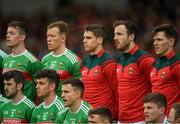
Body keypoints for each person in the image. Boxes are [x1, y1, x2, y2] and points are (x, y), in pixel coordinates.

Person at [113, 20, 155, 123]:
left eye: (119, 34)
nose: (115, 38)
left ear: (131, 36)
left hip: (139, 120)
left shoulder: (145, 59)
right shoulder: (119, 60)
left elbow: (156, 89)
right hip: (121, 120)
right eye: (114, 34)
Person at [82, 24, 118, 119]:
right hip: (87, 116)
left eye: (88, 38)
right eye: (84, 37)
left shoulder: (108, 62)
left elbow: (117, 91)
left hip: (103, 118)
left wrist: (115, 116)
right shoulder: (85, 61)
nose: (84, 41)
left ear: (99, 40)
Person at [2, 21, 41, 101]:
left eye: (12, 33)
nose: (7, 36)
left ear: (22, 37)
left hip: (25, 110)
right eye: (7, 33)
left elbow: (41, 87)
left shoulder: (32, 61)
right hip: (7, 109)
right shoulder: (5, 60)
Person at [41, 20, 81, 97]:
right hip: (48, 107)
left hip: (65, 106)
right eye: (47, 36)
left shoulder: (73, 60)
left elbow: (79, 88)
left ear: (62, 38)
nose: (48, 39)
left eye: (52, 36)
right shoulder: (44, 59)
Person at [150, 24, 180, 114]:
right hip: (155, 119)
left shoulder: (177, 65)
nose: (155, 43)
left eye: (159, 40)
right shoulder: (154, 64)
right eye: (154, 40)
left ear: (171, 42)